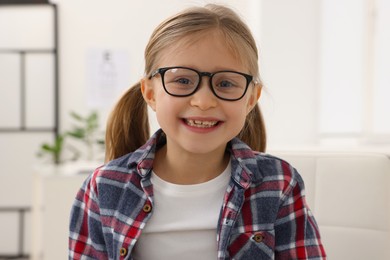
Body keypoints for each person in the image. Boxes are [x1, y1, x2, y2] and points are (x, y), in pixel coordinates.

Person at [69, 4, 326, 260]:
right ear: (150, 93)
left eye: (226, 83)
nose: (203, 101)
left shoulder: (279, 184)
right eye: (182, 80)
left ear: (251, 99)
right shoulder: (103, 187)